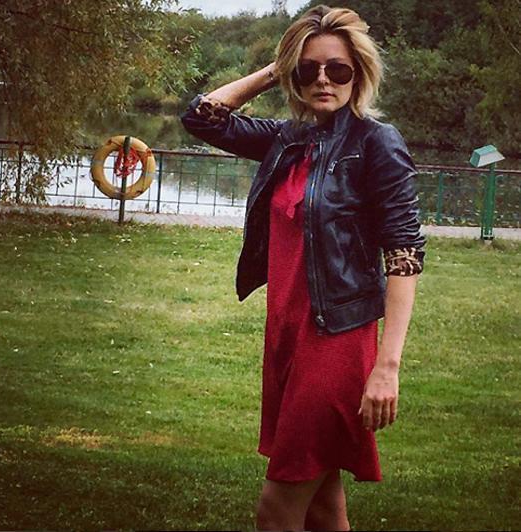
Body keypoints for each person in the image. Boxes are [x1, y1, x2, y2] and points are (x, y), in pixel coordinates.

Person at [181, 4, 425, 531]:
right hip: (286, 334)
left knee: (278, 508)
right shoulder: (289, 138)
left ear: (358, 74)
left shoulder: (376, 143)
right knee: (322, 505)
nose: (322, 80)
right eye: (308, 69)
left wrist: (387, 366)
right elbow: (201, 117)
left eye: (337, 69)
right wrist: (278, 67)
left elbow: (405, 254)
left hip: (336, 340)